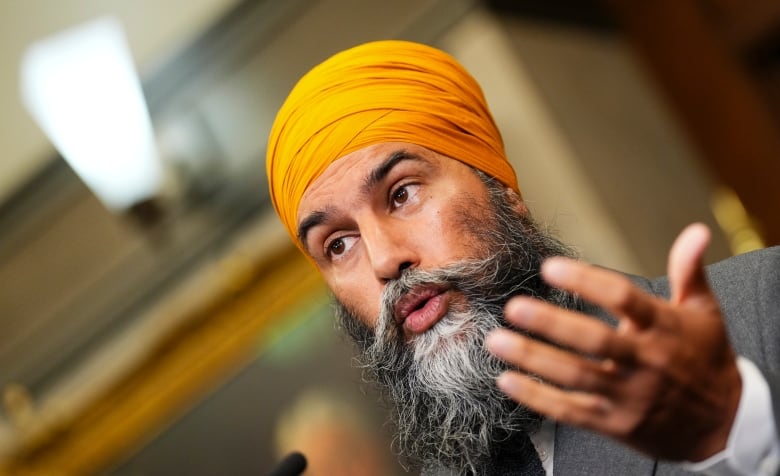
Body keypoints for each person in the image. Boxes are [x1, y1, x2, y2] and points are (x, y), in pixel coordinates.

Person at [265, 40, 780, 475]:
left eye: (402, 194)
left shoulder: (764, 302)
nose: (384, 261)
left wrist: (732, 426)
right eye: (338, 245)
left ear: (503, 190)